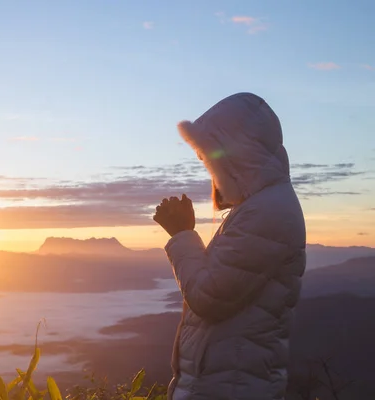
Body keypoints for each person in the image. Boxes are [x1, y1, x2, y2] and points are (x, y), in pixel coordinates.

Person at [153, 92, 306, 400]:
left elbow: (210, 297)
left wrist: (182, 234)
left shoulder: (268, 212)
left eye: (211, 157)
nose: (209, 168)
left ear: (238, 155)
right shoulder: (257, 207)